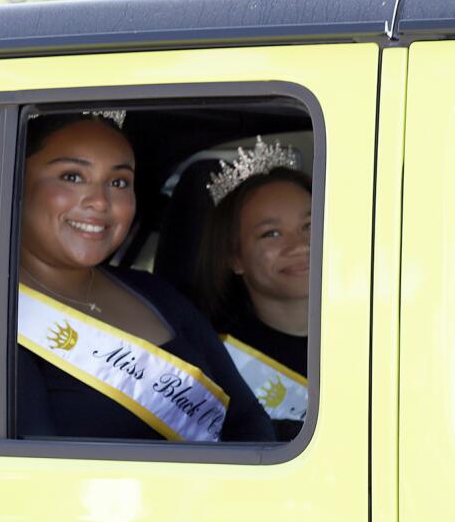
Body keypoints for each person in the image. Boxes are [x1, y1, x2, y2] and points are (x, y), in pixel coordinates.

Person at [16, 112, 274, 442]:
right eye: (72, 176)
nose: (99, 200)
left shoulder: (154, 293)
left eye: (119, 182)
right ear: (16, 184)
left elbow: (247, 423)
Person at [192, 140, 311, 441]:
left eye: (310, 225)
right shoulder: (218, 362)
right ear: (236, 258)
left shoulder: (386, 333)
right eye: (271, 233)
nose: (300, 245)